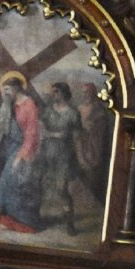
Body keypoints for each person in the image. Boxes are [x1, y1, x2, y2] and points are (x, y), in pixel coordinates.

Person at [0, 71, 42, 233]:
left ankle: (25, 222)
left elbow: (32, 132)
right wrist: (5, 103)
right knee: (5, 182)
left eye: (8, 89)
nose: (6, 92)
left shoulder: (28, 104)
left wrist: (21, 155)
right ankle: (8, 220)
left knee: (18, 182)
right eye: (4, 89)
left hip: (24, 148)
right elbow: (1, 125)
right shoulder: (9, 104)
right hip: (9, 147)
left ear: (16, 88)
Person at [40, 82, 87, 235]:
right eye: (53, 92)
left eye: (56, 92)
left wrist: (81, 159)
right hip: (46, 154)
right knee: (41, 185)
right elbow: (40, 130)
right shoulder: (48, 111)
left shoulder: (73, 113)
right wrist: (54, 134)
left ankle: (69, 223)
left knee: (62, 189)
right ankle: (38, 219)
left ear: (63, 93)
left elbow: (77, 137)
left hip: (64, 157)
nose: (53, 94)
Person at [78, 82, 110, 204]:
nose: (85, 94)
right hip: (81, 143)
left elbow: (99, 128)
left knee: (92, 172)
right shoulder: (80, 108)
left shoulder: (98, 109)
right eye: (83, 92)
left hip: (93, 145)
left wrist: (90, 127)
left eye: (87, 92)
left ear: (92, 93)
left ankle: (91, 199)